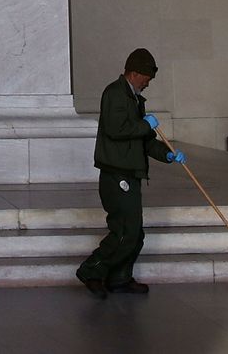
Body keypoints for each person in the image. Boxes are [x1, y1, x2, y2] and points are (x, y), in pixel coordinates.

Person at [75, 47, 187, 298]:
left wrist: (167, 155)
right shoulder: (115, 94)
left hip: (130, 173)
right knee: (125, 231)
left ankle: (120, 278)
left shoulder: (134, 99)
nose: (148, 84)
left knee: (135, 232)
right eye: (146, 78)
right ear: (135, 73)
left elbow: (144, 140)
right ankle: (91, 270)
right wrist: (143, 124)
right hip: (117, 175)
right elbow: (116, 129)